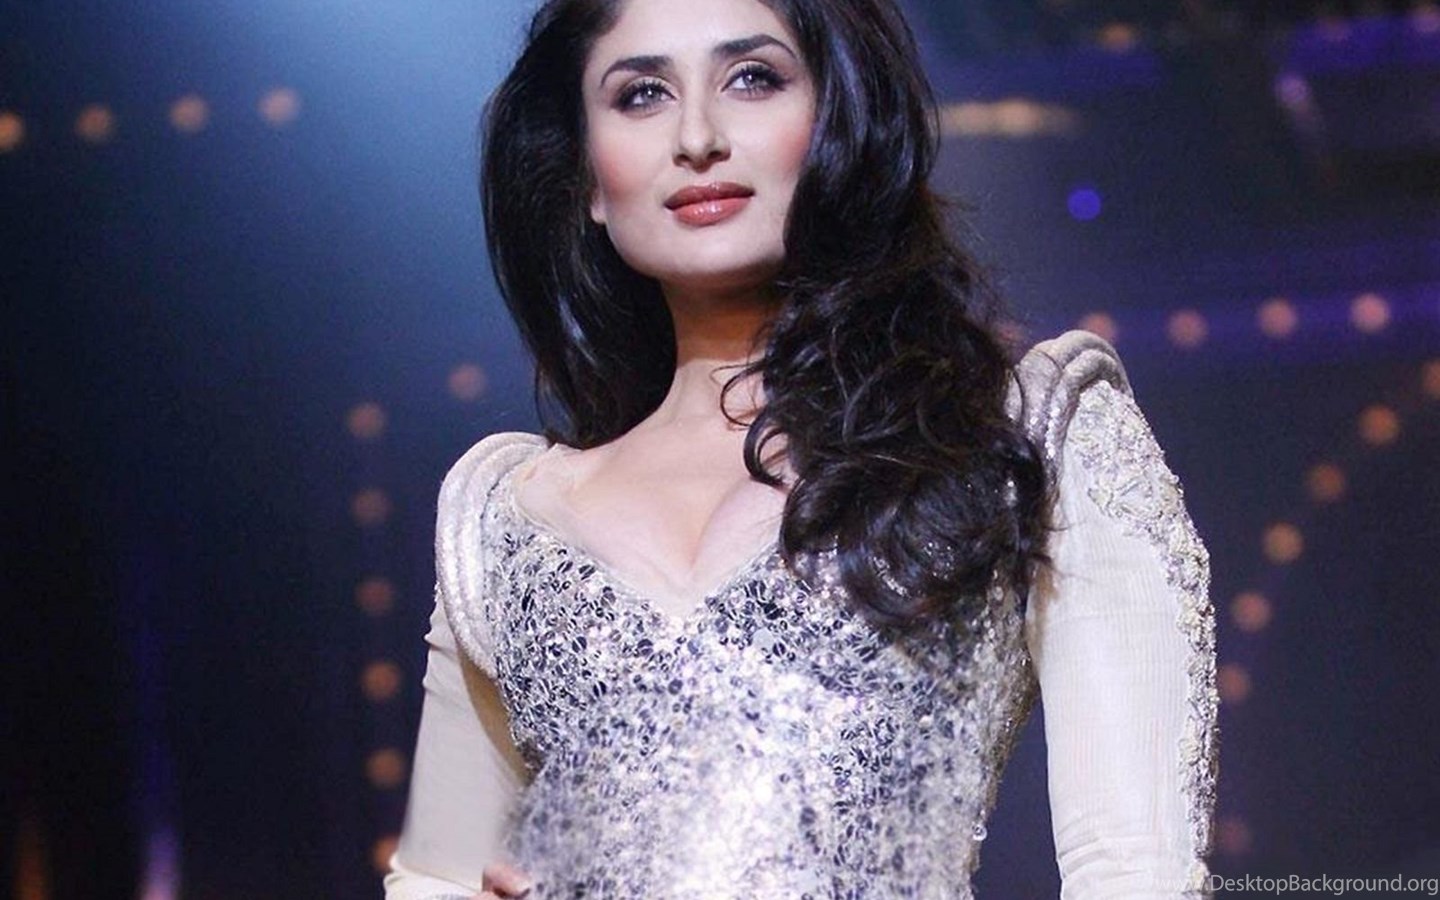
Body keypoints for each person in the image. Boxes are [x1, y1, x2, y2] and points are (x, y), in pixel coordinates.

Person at [385, 0, 1220, 896]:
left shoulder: (1023, 435)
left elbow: (1137, 872)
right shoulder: (504, 523)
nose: (697, 138)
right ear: (587, 174)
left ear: (836, 123)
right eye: (641, 95)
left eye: (752, 78)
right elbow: (436, 879)